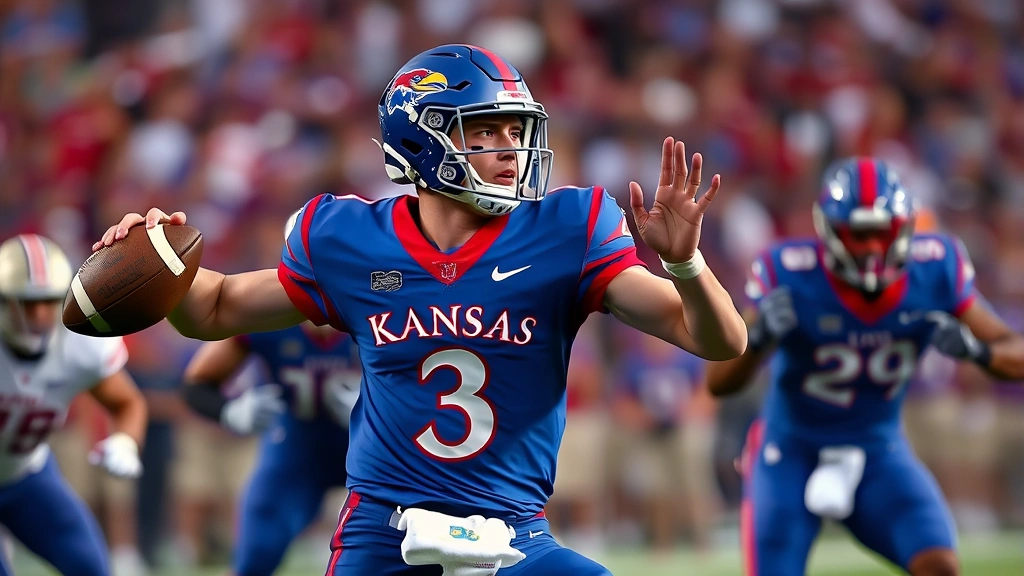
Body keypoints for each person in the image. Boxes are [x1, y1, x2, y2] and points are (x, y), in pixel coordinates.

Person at [94, 44, 746, 575]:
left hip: (513, 533)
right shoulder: (349, 239)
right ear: (425, 138)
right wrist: (157, 264)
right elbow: (212, 308)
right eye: (486, 129)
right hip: (386, 534)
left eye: (515, 130)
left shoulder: (566, 231)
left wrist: (686, 265)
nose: (510, 148)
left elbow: (716, 340)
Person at [705, 158, 1024, 576]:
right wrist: (759, 338)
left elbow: (1013, 351)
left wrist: (977, 352)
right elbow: (718, 381)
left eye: (882, 232)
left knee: (940, 565)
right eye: (860, 234)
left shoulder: (935, 267)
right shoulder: (788, 271)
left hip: (879, 450)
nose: (873, 247)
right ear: (831, 231)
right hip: (790, 451)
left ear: (905, 228)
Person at [0, 234, 148, 576]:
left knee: (91, 567)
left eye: (48, 302)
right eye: (26, 303)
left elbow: (127, 402)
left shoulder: (80, 344)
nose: (39, 315)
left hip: (26, 473)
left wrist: (125, 442)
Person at [181, 321, 359, 576]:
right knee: (255, 558)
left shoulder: (380, 310)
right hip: (295, 452)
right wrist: (229, 411)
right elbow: (196, 384)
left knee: (392, 556)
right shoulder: (273, 313)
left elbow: (432, 378)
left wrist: (381, 409)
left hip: (373, 454)